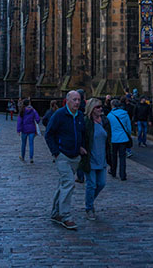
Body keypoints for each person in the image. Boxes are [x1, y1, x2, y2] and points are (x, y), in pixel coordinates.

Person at [44, 89, 86, 230]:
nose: (77, 102)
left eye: (79, 100)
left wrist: (81, 147)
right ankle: (65, 216)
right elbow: (48, 134)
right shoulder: (59, 115)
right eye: (74, 100)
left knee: (63, 184)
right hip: (62, 155)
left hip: (75, 156)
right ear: (67, 100)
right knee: (69, 183)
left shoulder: (80, 115)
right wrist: (56, 152)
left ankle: (56, 213)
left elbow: (82, 133)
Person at [79, 98, 110, 221]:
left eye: (101, 106)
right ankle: (89, 208)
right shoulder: (86, 122)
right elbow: (81, 136)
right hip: (90, 158)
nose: (100, 109)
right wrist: (81, 148)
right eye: (97, 107)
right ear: (91, 108)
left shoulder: (104, 121)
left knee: (101, 184)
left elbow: (108, 140)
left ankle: (90, 200)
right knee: (91, 184)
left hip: (102, 158)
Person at [107, 98, 132, 181]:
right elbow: (128, 127)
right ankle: (123, 175)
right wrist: (128, 134)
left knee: (113, 156)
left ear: (112, 106)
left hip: (114, 138)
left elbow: (108, 128)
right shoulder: (125, 114)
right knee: (122, 157)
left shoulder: (110, 115)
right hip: (123, 138)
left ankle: (113, 171)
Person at [17, 98, 40, 163]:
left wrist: (18, 130)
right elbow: (38, 119)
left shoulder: (22, 111)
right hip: (32, 129)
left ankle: (23, 157)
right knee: (31, 144)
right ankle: (31, 158)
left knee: (23, 144)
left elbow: (19, 121)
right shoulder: (33, 110)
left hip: (24, 129)